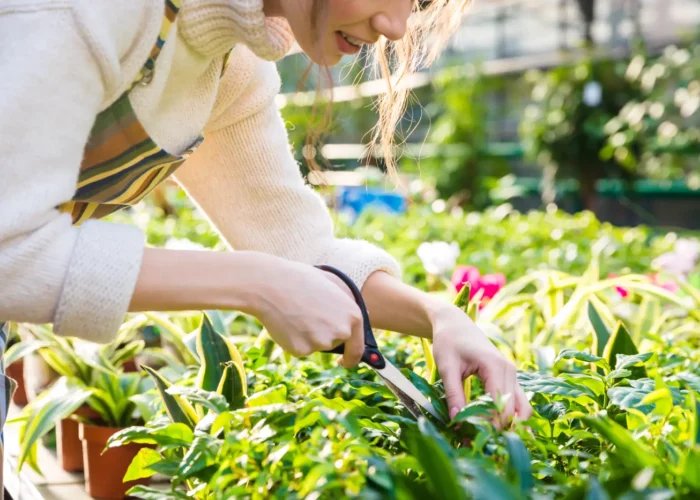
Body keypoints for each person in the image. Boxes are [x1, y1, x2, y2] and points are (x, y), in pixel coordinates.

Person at [0, 0, 533, 468]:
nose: (396, 26)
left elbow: (299, 249)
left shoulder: (230, 64)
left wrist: (439, 316)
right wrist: (254, 283)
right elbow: (9, 249)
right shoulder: (88, 9)